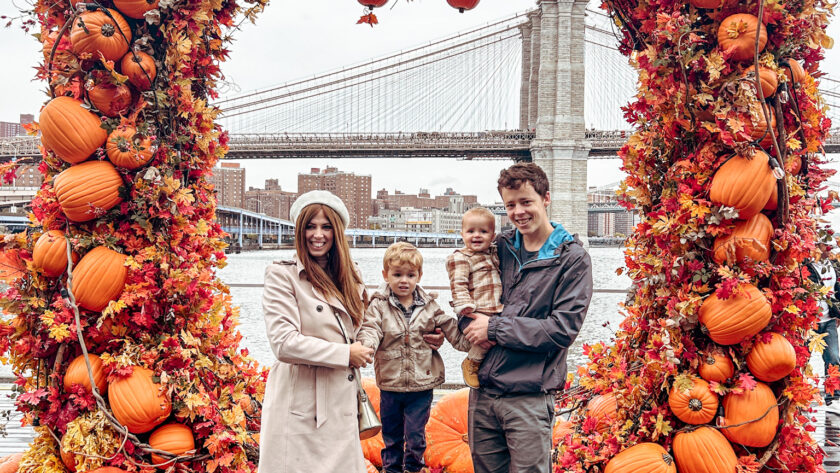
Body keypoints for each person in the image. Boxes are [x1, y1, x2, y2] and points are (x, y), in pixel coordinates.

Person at [460, 163, 593, 473]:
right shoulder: (499, 246)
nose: (518, 211)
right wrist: (458, 327)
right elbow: (469, 294)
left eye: (526, 202)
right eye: (510, 205)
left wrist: (493, 327)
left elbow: (562, 329)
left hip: (528, 398)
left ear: (546, 198)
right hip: (483, 393)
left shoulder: (572, 259)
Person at [258, 190, 375, 473]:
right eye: (310, 226)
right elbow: (284, 343)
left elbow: (368, 322)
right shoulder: (282, 275)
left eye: (326, 227)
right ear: (300, 231)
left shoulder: (351, 274)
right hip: (300, 403)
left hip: (341, 398)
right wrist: (346, 353)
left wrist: (366, 345)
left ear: (337, 232)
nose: (317, 234)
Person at [357, 242, 471, 473]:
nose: (403, 280)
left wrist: (466, 342)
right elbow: (371, 328)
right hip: (390, 384)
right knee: (391, 435)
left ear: (419, 275)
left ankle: (413, 467)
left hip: (422, 383)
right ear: (385, 275)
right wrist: (366, 346)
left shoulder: (429, 305)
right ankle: (392, 469)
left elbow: (448, 325)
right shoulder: (379, 305)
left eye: (410, 275)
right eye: (397, 274)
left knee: (416, 434)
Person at [445, 207, 504, 388]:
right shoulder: (461, 258)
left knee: (501, 335)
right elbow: (458, 284)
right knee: (485, 342)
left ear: (493, 235)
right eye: (471, 231)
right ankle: (472, 362)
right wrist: (464, 306)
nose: (476, 236)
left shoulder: (492, 254)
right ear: (462, 234)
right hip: (473, 311)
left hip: (494, 310)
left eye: (483, 231)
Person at [806, 239, 840, 415]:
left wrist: (837, 312)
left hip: (828, 320)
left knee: (833, 358)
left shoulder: (833, 264)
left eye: (831, 247)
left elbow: (837, 288)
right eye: (826, 246)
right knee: (803, 360)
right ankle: (799, 396)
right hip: (809, 321)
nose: (830, 249)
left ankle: (832, 397)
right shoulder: (806, 265)